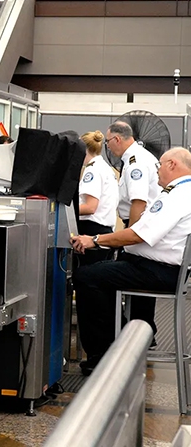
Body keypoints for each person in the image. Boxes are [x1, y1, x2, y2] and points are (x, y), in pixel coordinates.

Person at [71, 147, 191, 375]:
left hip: (158, 270)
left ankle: (103, 356)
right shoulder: (182, 191)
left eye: (160, 167)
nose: (157, 174)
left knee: (87, 277)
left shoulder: (177, 194)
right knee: (100, 272)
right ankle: (119, 340)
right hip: (159, 267)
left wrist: (95, 240)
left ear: (172, 165)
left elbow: (138, 234)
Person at [105, 121, 160, 227]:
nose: (108, 147)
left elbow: (139, 202)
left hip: (141, 223)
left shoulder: (135, 162)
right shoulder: (139, 156)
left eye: (107, 141)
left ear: (117, 139)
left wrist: (132, 233)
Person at [76, 130, 118, 266]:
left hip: (91, 229)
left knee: (85, 276)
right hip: (105, 229)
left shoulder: (92, 170)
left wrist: (67, 210)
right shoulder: (106, 168)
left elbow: (90, 207)